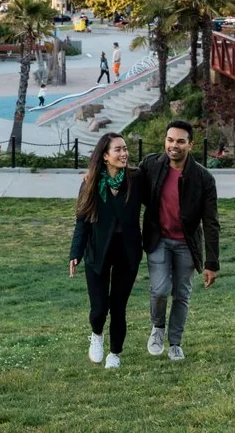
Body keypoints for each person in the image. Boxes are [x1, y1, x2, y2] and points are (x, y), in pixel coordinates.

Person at [138, 120, 221, 362]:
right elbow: (127, 182)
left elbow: (211, 222)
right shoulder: (151, 165)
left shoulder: (203, 178)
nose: (174, 145)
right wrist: (97, 174)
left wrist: (212, 263)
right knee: (159, 290)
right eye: (170, 140)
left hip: (186, 243)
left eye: (180, 141)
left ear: (190, 145)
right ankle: (157, 328)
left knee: (181, 294)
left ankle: (175, 343)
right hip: (158, 240)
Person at [69, 132, 144, 369]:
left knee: (118, 306)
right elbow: (82, 221)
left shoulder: (136, 179)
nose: (124, 153)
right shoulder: (91, 183)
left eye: (125, 148)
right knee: (99, 308)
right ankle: (96, 334)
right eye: (118, 150)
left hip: (127, 251)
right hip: (97, 250)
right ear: (104, 156)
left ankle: (115, 353)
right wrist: (75, 253)